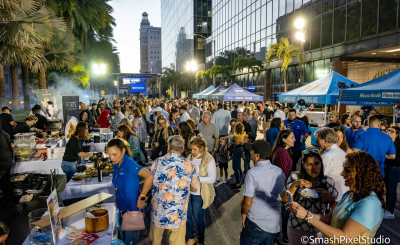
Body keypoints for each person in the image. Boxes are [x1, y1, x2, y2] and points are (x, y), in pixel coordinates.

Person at [288, 152, 385, 243]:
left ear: (362, 173)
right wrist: (301, 211)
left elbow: (344, 238)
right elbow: (328, 219)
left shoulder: (370, 202)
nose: (342, 174)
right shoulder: (349, 195)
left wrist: (307, 216)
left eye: (347, 170)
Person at [150, 136, 200, 245]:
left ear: (168, 146)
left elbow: (150, 182)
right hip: (178, 212)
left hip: (158, 210)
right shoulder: (189, 165)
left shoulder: (157, 162)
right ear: (182, 149)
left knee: (156, 241)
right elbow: (195, 187)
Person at [282, 150, 338, 245]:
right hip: (296, 228)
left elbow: (336, 208)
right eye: (309, 164)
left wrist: (329, 198)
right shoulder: (295, 177)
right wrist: (295, 185)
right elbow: (284, 200)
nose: (314, 168)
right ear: (303, 165)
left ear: (321, 164)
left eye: (317, 163)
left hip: (318, 230)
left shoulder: (328, 181)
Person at [108, 138, 153, 245]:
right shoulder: (117, 164)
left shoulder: (129, 164)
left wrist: (142, 197)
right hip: (121, 210)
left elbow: (150, 176)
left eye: (114, 154)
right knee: (123, 241)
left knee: (130, 242)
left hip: (132, 211)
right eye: (109, 154)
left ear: (123, 151)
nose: (111, 157)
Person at [241, 140, 286, 245]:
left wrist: (243, 213)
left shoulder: (252, 173)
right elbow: (283, 195)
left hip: (256, 223)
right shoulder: (279, 171)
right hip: (274, 224)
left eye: (252, 151)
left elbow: (247, 203)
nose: (251, 154)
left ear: (257, 155)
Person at [186, 135, 216, 245]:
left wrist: (195, 178)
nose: (192, 151)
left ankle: (201, 240)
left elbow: (212, 179)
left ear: (201, 148)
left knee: (199, 218)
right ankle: (191, 237)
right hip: (189, 192)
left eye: (194, 149)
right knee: (188, 216)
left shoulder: (209, 160)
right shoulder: (190, 157)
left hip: (200, 194)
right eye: (191, 149)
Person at [315, 127, 348, 200]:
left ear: (326, 141)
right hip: (344, 194)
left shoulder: (327, 156)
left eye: (318, 140)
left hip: (333, 196)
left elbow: (319, 176)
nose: (316, 142)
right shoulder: (341, 152)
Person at [384, 126, 400, 219]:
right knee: (388, 190)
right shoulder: (388, 142)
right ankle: (387, 207)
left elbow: (397, 159)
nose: (389, 132)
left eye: (392, 131)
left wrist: (387, 156)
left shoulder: (398, 145)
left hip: (394, 168)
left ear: (397, 134)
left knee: (392, 189)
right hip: (387, 167)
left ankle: (390, 211)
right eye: (388, 130)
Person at [0, 121, 13, 205]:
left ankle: (9, 200)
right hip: (7, 158)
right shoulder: (4, 133)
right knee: (5, 180)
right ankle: (8, 198)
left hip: (2, 160)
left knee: (4, 181)